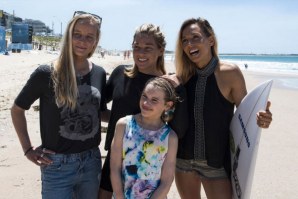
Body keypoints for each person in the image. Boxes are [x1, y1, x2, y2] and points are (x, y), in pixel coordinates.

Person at [11, 11, 108, 199]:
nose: (82, 41)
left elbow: (100, 112)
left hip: (91, 161)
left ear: (96, 41)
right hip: (57, 164)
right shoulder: (47, 73)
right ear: (68, 36)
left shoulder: (100, 73)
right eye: (77, 34)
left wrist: (137, 118)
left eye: (89, 37)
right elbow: (17, 110)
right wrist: (28, 149)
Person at [173, 17, 273, 199]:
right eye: (185, 40)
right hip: (183, 160)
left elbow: (247, 117)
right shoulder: (182, 76)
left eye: (195, 37)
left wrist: (262, 119)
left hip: (216, 163)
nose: (189, 44)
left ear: (210, 40)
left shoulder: (230, 73)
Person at [98, 23, 188, 199]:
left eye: (148, 48)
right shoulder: (120, 73)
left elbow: (179, 127)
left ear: (161, 50)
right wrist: (119, 122)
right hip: (116, 157)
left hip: (149, 165)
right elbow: (98, 106)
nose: (141, 53)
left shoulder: (168, 85)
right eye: (137, 47)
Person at [110, 77, 178, 198]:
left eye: (154, 100)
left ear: (167, 105)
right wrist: (120, 196)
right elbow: (115, 167)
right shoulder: (123, 125)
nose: (146, 103)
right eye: (144, 96)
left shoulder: (170, 137)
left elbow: (167, 180)